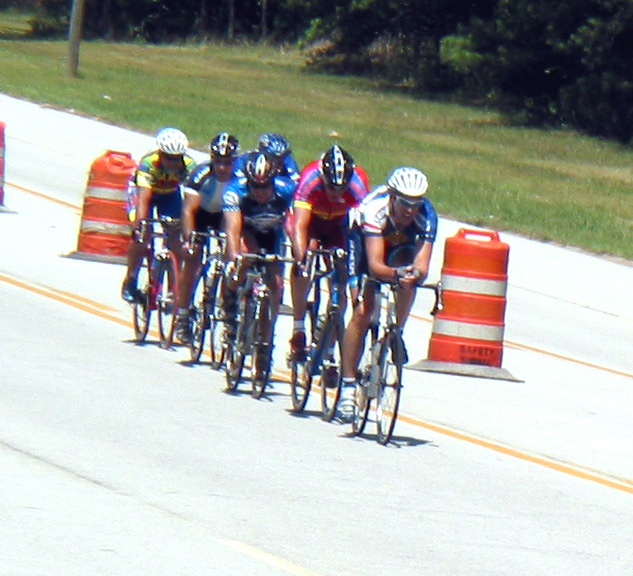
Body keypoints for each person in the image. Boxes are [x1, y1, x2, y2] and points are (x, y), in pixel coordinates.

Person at [339, 166, 438, 419]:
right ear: (393, 196)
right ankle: (348, 388)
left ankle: (397, 332)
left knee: (410, 280)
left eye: (416, 203)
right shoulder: (375, 208)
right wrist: (395, 274)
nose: (410, 209)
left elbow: (422, 266)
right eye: (405, 202)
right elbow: (374, 265)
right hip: (363, 245)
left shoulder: (426, 215)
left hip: (399, 242)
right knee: (362, 312)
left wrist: (412, 274)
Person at [287, 145, 369, 359]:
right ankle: (298, 328)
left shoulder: (358, 184)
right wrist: (301, 261)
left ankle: (330, 347)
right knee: (305, 259)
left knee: (340, 281)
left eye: (341, 189)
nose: (336, 193)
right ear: (323, 177)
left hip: (338, 226)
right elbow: (300, 227)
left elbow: (364, 228)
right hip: (311, 223)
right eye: (331, 188)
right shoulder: (310, 178)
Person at [222, 150, 297, 377]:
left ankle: (265, 344)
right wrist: (235, 259)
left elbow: (294, 225)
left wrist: (299, 253)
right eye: (256, 187)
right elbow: (233, 230)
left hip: (273, 235)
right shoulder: (236, 191)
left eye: (265, 187)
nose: (261, 192)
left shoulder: (286, 191)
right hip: (248, 232)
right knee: (245, 256)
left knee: (276, 284)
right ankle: (230, 305)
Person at [173, 131, 240, 344]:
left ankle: (228, 309)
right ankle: (182, 315)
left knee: (232, 260)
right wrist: (189, 240)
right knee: (192, 260)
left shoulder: (241, 178)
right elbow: (188, 212)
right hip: (200, 214)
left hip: (225, 216)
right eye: (218, 161)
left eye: (228, 162)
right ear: (212, 159)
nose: (222, 167)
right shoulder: (200, 174)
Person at [121, 127, 196, 303]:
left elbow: (192, 196)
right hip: (145, 193)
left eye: (176, 158)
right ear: (161, 153)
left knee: (176, 238)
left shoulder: (189, 165)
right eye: (168, 158)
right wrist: (139, 223)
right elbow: (144, 199)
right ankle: (130, 279)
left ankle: (172, 289)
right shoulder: (149, 163)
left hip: (169, 194)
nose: (173, 162)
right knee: (142, 236)